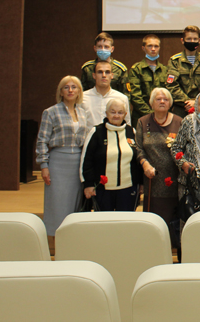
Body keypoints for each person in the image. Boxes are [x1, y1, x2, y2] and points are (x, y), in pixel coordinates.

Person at [36, 76, 88, 236]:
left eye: (74, 87)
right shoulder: (51, 112)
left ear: (79, 91)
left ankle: (71, 237)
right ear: (61, 91)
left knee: (75, 203)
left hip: (77, 163)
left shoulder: (82, 112)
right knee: (57, 203)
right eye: (66, 87)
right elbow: (42, 140)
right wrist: (44, 166)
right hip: (58, 163)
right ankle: (54, 238)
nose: (70, 90)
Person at [133, 87, 183, 231]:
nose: (162, 102)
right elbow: (138, 148)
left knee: (173, 222)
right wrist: (145, 164)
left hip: (174, 179)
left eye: (165, 99)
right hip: (152, 179)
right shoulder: (143, 122)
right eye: (158, 99)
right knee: (154, 221)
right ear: (151, 103)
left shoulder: (179, 122)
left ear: (170, 103)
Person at [82, 98, 142, 211]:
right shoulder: (96, 132)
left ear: (125, 114)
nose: (116, 115)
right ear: (106, 113)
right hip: (102, 190)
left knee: (126, 220)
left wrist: (141, 183)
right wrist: (88, 184)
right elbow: (86, 160)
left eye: (120, 112)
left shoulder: (132, 132)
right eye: (112, 112)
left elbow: (138, 159)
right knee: (104, 220)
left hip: (128, 189)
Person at [167, 25, 200, 117]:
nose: (192, 41)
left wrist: (197, 102)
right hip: (180, 109)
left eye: (195, 39)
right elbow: (172, 86)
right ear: (182, 40)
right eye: (189, 39)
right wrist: (188, 102)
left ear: (199, 41)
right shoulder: (175, 61)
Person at [128, 34, 170, 123]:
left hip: (162, 116)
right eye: (150, 46)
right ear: (143, 48)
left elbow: (168, 94)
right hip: (141, 117)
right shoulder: (136, 69)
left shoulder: (165, 70)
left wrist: (160, 113)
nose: (153, 49)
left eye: (156, 46)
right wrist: (151, 114)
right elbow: (135, 96)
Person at [82, 60, 130, 132]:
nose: (104, 75)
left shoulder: (122, 98)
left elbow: (127, 126)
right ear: (94, 75)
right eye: (100, 72)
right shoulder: (82, 98)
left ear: (112, 75)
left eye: (107, 72)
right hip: (89, 138)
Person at [80, 32, 129, 96]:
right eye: (100, 46)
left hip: (114, 100)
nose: (103, 49)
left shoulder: (120, 69)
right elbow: (82, 92)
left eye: (106, 47)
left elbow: (126, 94)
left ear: (112, 49)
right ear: (95, 48)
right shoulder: (87, 68)